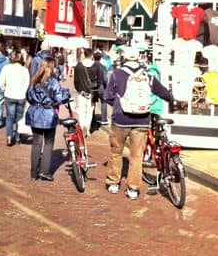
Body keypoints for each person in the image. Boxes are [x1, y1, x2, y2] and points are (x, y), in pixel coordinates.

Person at [103, 46, 172, 200]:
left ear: (124, 58)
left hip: (120, 119)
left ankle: (114, 183)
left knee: (116, 152)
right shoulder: (148, 75)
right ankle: (133, 189)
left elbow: (107, 96)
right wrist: (172, 99)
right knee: (136, 156)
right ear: (139, 58)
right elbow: (162, 92)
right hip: (142, 120)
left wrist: (118, 104)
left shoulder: (117, 74)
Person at [26, 57, 70, 181]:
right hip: (49, 114)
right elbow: (59, 98)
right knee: (49, 143)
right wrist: (66, 93)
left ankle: (33, 173)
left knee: (36, 143)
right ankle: (45, 171)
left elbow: (28, 96)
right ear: (51, 67)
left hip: (35, 113)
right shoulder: (53, 82)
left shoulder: (34, 80)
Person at [0, 50, 30, 146]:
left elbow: (1, 81)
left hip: (9, 95)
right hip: (21, 96)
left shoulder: (6, 68)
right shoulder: (24, 70)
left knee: (9, 117)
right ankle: (17, 137)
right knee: (19, 118)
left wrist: (4, 89)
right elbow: (27, 83)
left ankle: (9, 136)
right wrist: (24, 92)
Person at [73, 48, 102, 136]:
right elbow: (100, 80)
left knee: (81, 111)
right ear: (92, 55)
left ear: (84, 55)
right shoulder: (97, 66)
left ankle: (82, 127)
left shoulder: (79, 66)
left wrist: (79, 90)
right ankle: (88, 129)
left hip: (81, 92)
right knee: (90, 111)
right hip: (92, 92)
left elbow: (76, 81)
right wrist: (95, 87)